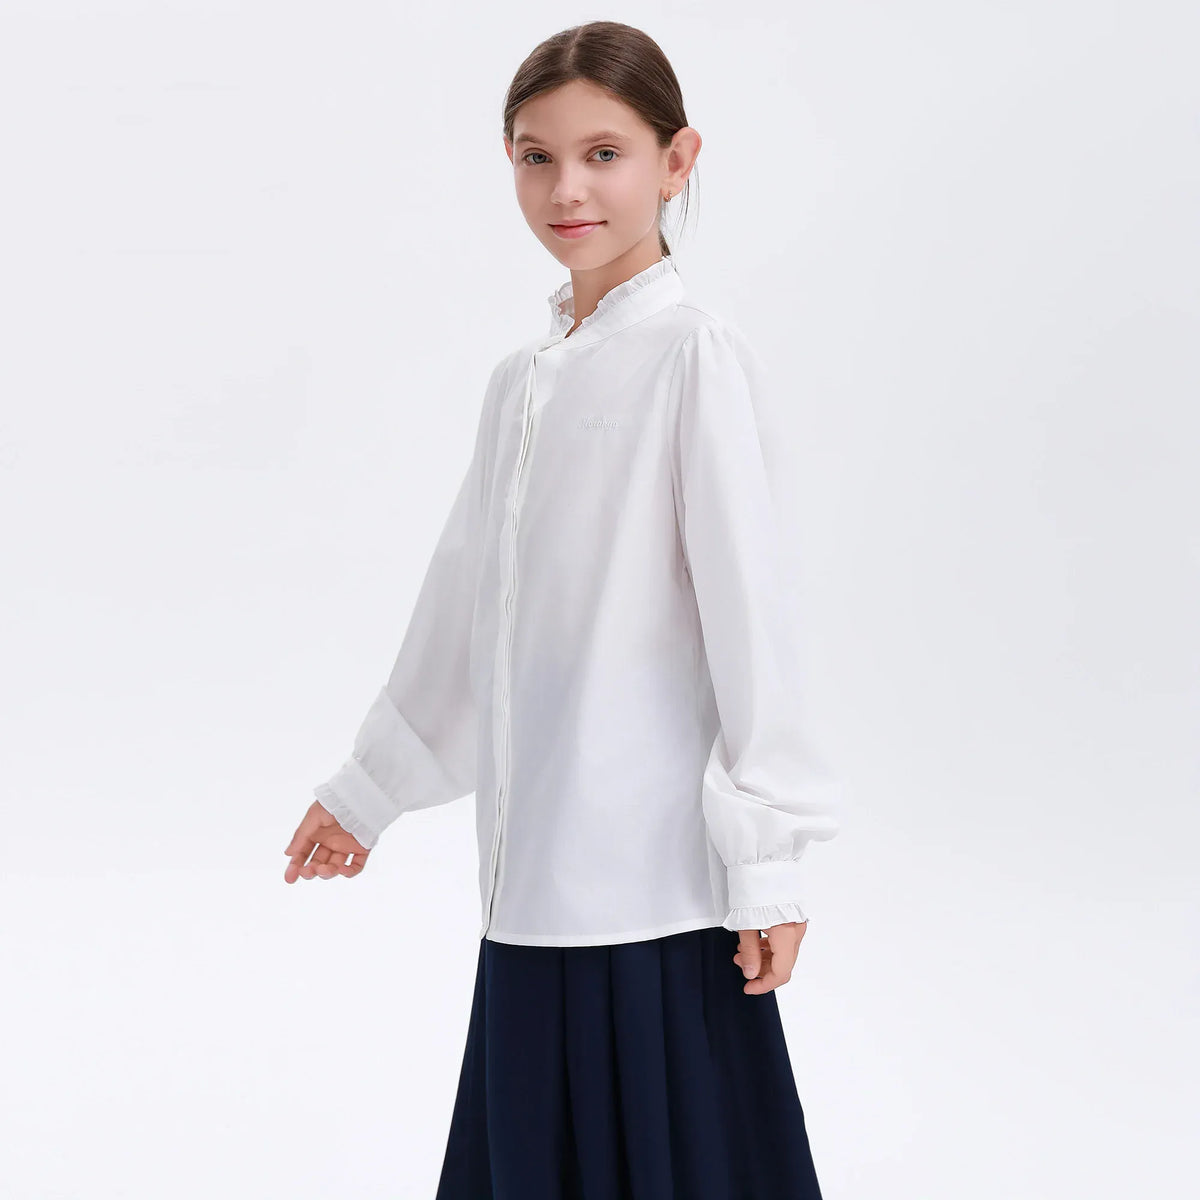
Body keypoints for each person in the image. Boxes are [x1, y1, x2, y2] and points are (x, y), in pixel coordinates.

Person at [283, 19, 842, 1199]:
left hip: (653, 888)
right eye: (536, 157)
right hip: (527, 878)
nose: (566, 189)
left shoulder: (693, 358)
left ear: (676, 161)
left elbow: (755, 622)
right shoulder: (521, 384)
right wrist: (366, 788)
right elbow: (464, 608)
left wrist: (770, 867)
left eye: (604, 154)